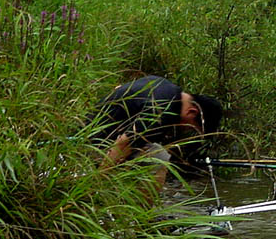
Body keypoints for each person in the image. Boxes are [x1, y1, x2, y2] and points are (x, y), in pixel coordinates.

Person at [89, 76, 223, 191]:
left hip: (88, 132)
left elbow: (119, 89)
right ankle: (142, 212)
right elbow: (123, 143)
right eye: (191, 128)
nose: (185, 129)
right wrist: (97, 181)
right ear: (192, 112)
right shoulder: (163, 111)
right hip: (92, 147)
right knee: (158, 156)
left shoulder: (163, 86)